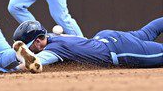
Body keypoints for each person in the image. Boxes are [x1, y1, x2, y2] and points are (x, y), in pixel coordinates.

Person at [13, 18, 163, 68]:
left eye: (29, 46)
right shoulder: (52, 37)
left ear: (38, 41)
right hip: (106, 37)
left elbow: (34, 63)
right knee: (145, 33)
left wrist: (10, 71)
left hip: (120, 49)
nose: (29, 49)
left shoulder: (54, 49)